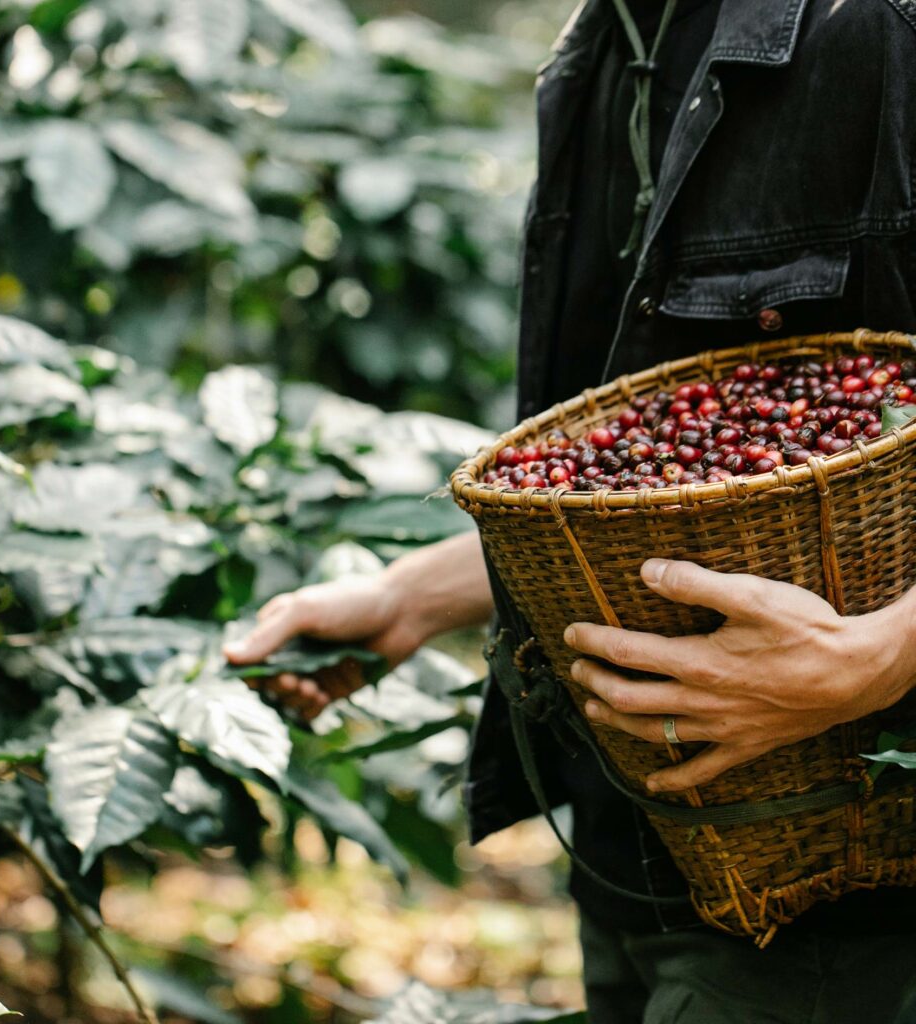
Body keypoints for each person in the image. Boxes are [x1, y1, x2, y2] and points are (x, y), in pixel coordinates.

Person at [226, 0, 916, 1020]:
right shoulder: (603, 48)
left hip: (846, 879)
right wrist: (410, 598)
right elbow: (657, 483)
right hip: (638, 839)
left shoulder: (877, 26)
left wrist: (882, 655)